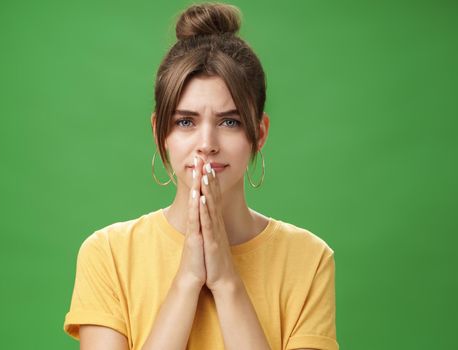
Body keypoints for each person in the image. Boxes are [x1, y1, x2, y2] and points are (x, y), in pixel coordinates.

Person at [63, 2, 339, 350]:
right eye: (185, 122)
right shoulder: (107, 254)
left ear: (260, 132)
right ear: (159, 132)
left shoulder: (309, 259)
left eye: (229, 122)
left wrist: (226, 281)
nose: (206, 144)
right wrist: (187, 279)